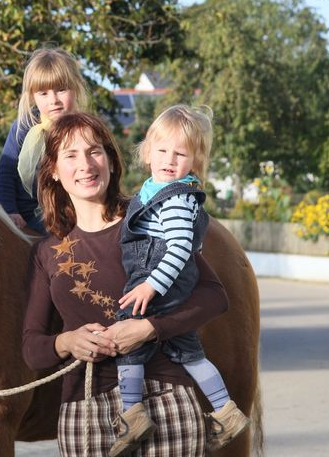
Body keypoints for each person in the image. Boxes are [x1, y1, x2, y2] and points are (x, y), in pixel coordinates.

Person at [22, 112, 229, 457]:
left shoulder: (148, 217)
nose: (86, 165)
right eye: (71, 155)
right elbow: (32, 350)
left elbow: (214, 297)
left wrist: (150, 327)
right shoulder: (45, 252)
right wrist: (68, 341)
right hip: (85, 410)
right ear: (54, 171)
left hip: (165, 398)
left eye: (94, 151)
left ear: (110, 160)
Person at [113, 105, 249, 455]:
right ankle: (224, 409)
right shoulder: (157, 188)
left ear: (195, 159)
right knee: (189, 352)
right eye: (161, 150)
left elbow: (178, 249)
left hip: (159, 278)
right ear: (147, 152)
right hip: (170, 282)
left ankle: (132, 414)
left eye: (180, 153)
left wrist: (150, 285)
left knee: (129, 341)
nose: (169, 159)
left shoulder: (173, 199)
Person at [0, 47, 90, 234]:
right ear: (33, 96)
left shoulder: (85, 129)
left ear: (75, 87)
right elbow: (6, 172)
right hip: (27, 213)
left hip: (70, 214)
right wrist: (9, 210)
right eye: (43, 93)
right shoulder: (24, 126)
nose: (53, 100)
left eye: (61, 90)